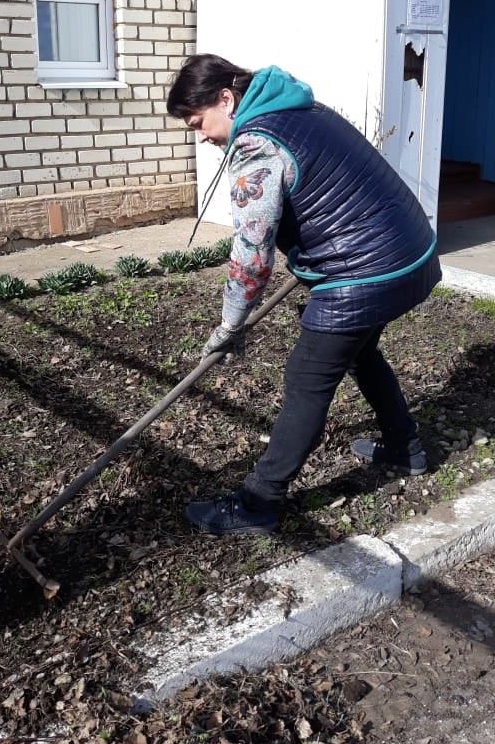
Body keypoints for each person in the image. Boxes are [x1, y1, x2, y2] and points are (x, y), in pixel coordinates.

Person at [166, 54, 441, 536]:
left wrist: (229, 327)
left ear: (226, 100)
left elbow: (251, 256)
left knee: (307, 380)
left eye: (198, 122)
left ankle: (259, 501)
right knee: (361, 352)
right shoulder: (298, 109)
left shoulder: (256, 145)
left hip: (364, 272)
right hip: (409, 253)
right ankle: (404, 447)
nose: (201, 135)